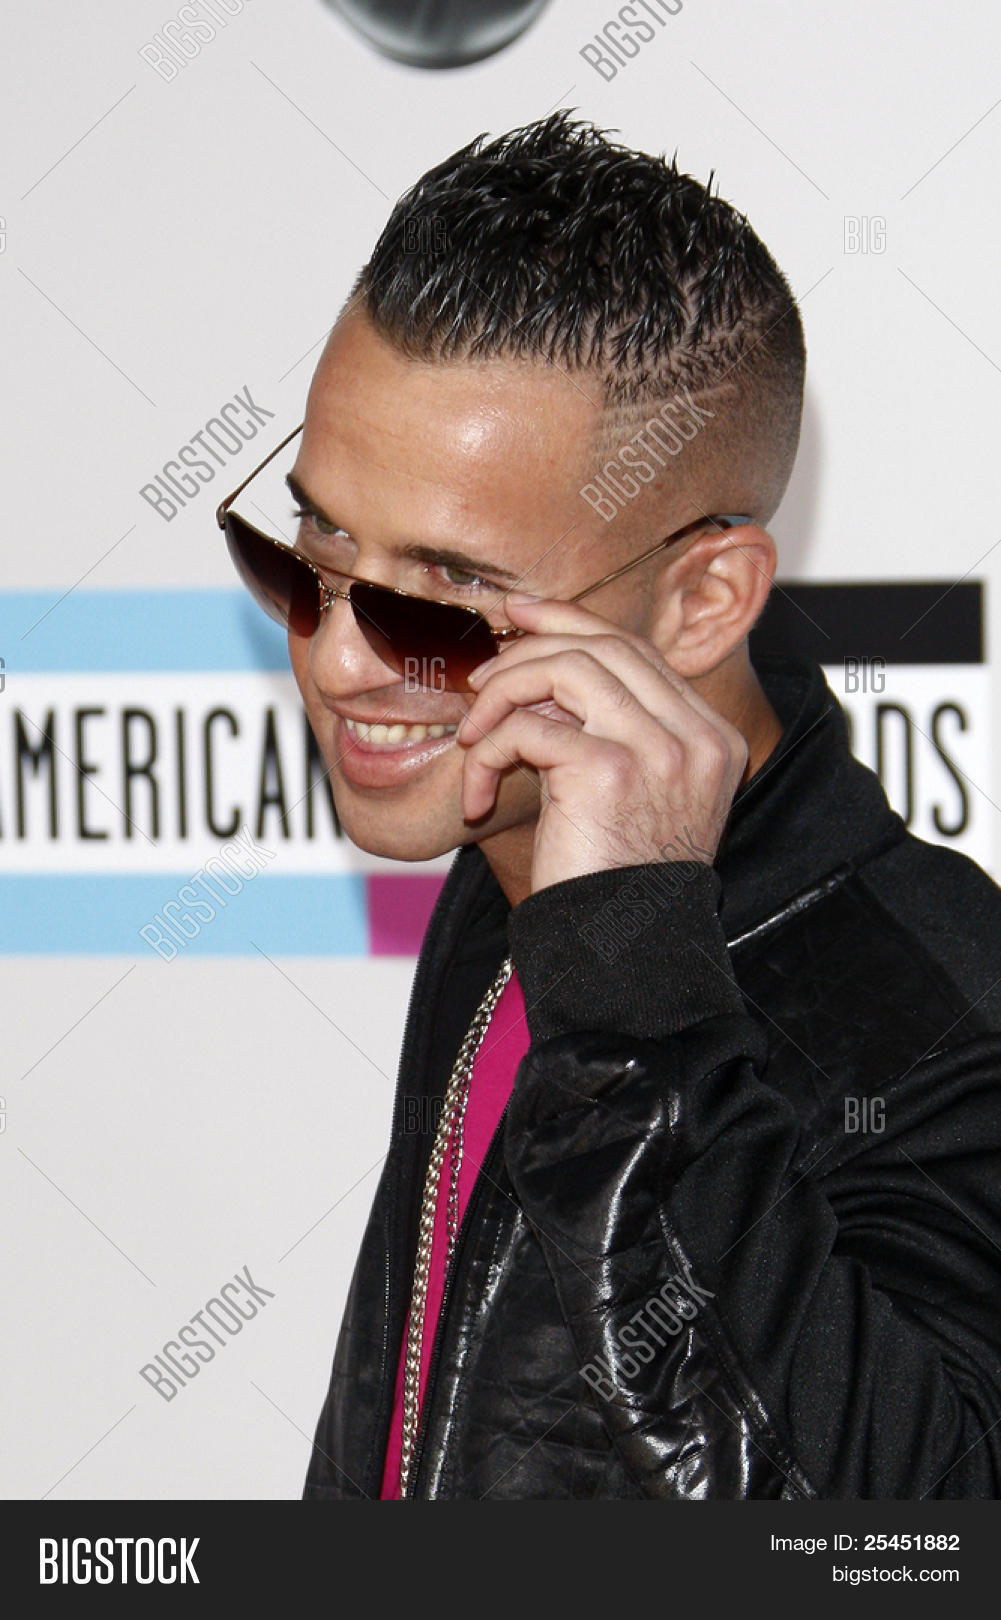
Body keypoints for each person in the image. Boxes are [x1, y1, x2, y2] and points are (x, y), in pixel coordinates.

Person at [219, 112, 1001, 1498]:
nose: (336, 662)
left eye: (442, 606)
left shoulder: (935, 1006)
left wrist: (635, 991)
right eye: (311, 553)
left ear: (704, 599)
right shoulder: (507, 833)